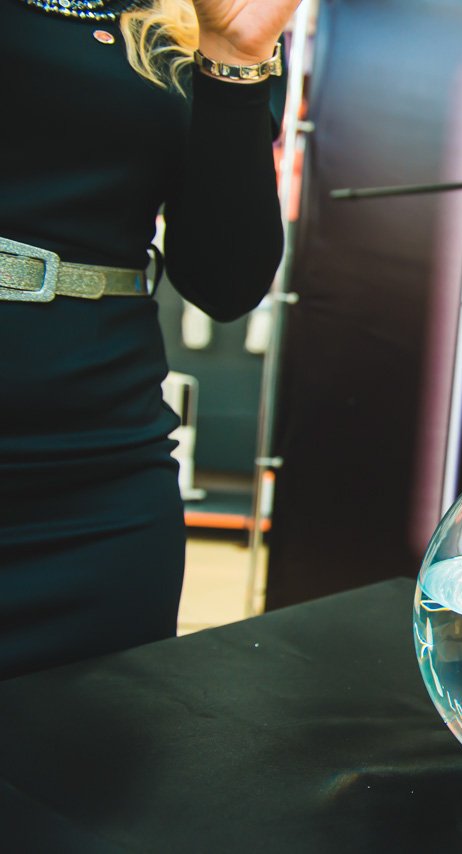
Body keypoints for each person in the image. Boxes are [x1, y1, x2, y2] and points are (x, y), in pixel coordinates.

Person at [0, 0, 300, 680]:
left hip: (98, 482)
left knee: (91, 737)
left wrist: (236, 57)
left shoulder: (200, 24)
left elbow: (226, 281)